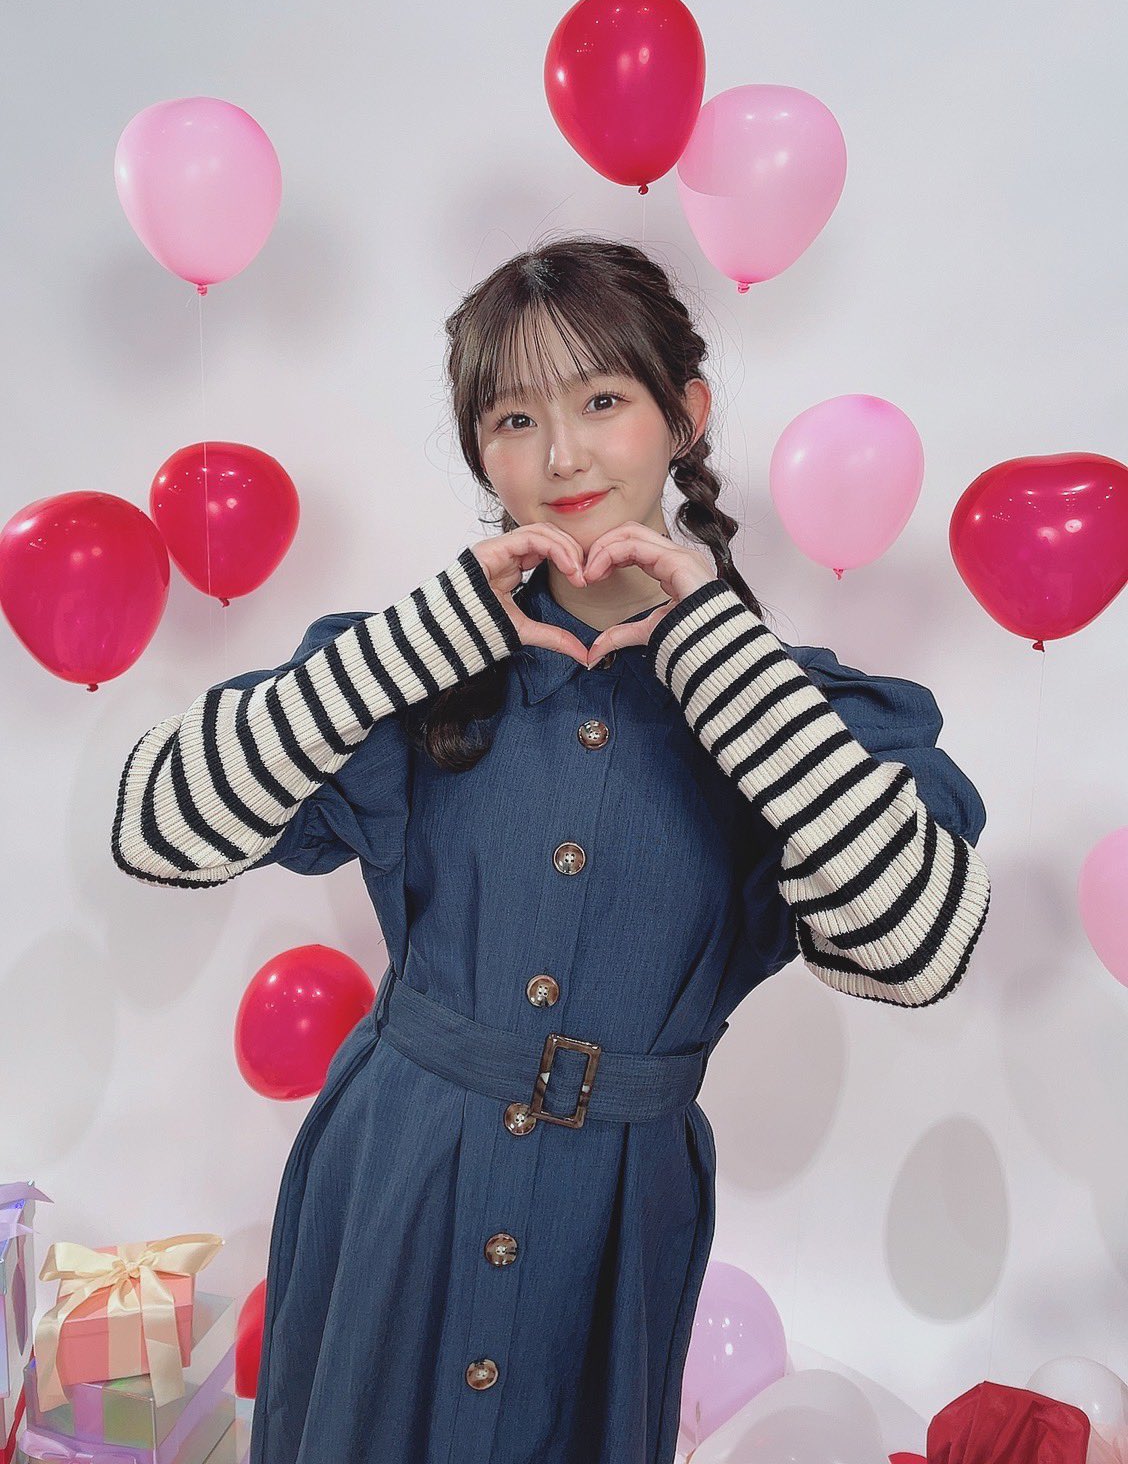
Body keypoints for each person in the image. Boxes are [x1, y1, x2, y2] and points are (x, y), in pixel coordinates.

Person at [111, 235, 991, 1464]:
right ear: (483, 451)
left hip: (617, 1215)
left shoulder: (800, 713)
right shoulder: (409, 671)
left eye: (603, 401)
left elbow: (918, 950)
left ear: (685, 415)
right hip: (395, 1177)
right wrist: (425, 633)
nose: (563, 455)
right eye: (515, 419)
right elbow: (156, 826)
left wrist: (716, 649)